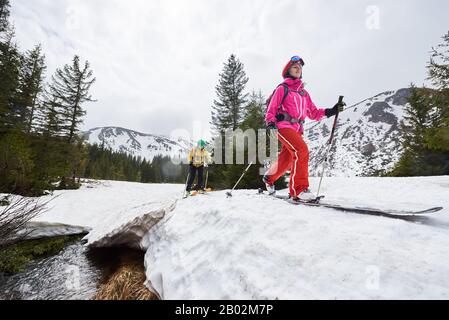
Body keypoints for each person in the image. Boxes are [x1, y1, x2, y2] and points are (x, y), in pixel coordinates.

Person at [264, 55, 345, 201]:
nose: (298, 69)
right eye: (295, 67)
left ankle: (269, 178)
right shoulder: (283, 89)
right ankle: (299, 190)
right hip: (282, 127)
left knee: (287, 159)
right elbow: (272, 108)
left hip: (296, 130)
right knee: (301, 150)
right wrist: (270, 122)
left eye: (300, 68)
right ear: (288, 71)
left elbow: (313, 113)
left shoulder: (303, 93)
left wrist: (331, 111)